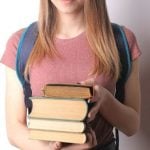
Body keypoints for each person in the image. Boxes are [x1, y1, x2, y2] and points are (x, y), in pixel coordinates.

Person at [1, 0, 141, 150]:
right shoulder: (20, 43)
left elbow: (131, 126)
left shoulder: (121, 40)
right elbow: (14, 129)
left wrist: (104, 98)